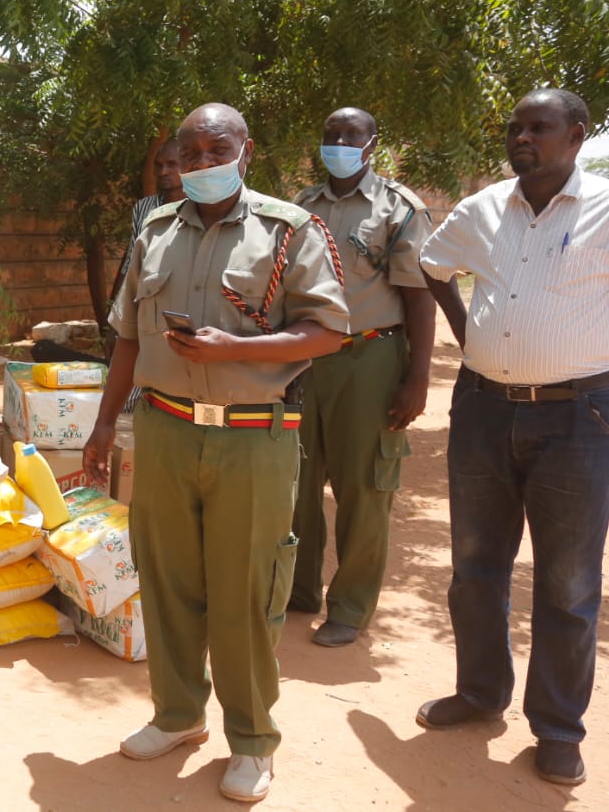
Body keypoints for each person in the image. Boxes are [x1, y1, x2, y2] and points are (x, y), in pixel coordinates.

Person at [83, 103, 349, 802]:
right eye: (189, 153)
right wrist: (105, 423)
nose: (201, 164)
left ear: (246, 150)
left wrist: (240, 350)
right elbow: (129, 337)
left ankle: (254, 740)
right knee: (167, 582)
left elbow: (327, 331)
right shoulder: (155, 229)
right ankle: (177, 714)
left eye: (215, 149)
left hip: (253, 437)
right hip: (166, 429)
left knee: (246, 592)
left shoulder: (291, 232)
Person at [415, 88, 609, 787]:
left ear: (577, 135)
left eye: (539, 127)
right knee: (475, 567)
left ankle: (558, 728)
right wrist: (467, 334)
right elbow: (432, 267)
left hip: (577, 419)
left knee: (568, 582)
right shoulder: (482, 208)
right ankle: (479, 691)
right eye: (514, 127)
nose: (521, 136)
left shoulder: (605, 207)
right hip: (481, 412)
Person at [288, 108, 436, 647]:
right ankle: (296, 590)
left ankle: (349, 606)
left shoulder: (399, 208)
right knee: (295, 481)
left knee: (363, 486)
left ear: (373, 143)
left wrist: (416, 379)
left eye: (351, 135)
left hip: (370, 357)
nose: (340, 142)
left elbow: (419, 298)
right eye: (331, 135)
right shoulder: (301, 206)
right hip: (305, 357)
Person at [105, 137, 186, 410]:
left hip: (182, 306)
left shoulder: (201, 208)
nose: (164, 171)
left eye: (172, 165)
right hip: (145, 304)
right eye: (159, 165)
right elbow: (131, 264)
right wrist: (117, 318)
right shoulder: (144, 208)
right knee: (131, 393)